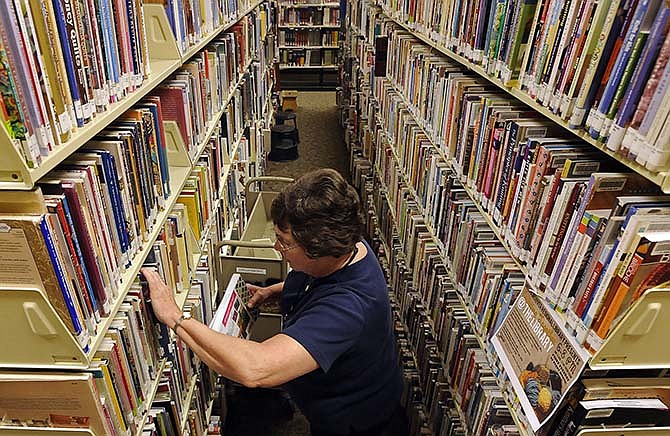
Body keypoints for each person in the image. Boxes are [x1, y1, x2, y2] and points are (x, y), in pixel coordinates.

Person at [141, 168, 405, 436]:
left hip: (357, 423)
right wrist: (276, 291)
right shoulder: (349, 242)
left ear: (319, 247)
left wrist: (175, 317)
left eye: (284, 242)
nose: (277, 248)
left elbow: (255, 369)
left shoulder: (349, 308)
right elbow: (321, 282)